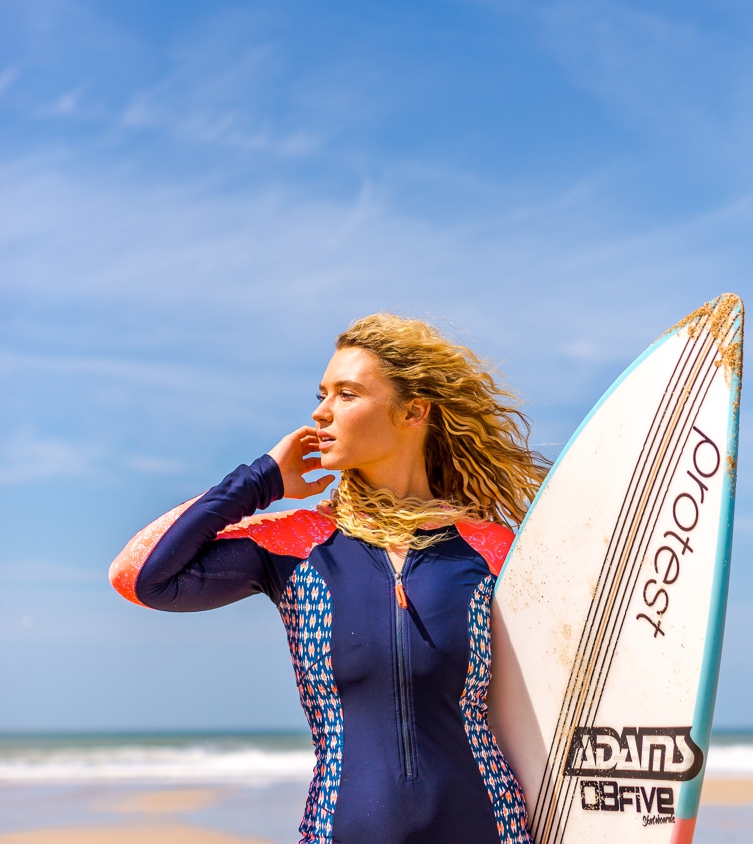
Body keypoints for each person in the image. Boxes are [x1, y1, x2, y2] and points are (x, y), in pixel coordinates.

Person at [110, 313, 548, 844]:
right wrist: (260, 481)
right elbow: (140, 575)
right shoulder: (298, 544)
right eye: (322, 393)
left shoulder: (490, 549)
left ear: (413, 411)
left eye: (346, 393)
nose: (321, 412)